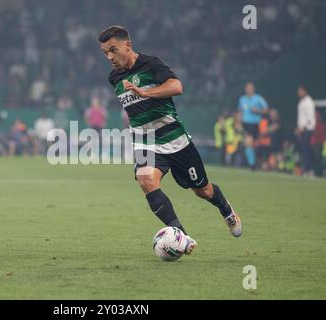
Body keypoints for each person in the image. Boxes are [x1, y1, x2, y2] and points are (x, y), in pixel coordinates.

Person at [98, 25, 242, 257]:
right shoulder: (113, 77)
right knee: (146, 180)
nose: (110, 57)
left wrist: (146, 93)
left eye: (113, 50)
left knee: (202, 190)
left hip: (176, 140)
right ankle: (181, 236)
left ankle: (226, 210)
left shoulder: (152, 64)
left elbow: (176, 86)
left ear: (128, 44)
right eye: (105, 52)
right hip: (145, 141)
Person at [238, 82, 269, 170]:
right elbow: (240, 112)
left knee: (255, 145)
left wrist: (258, 111)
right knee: (248, 143)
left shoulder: (258, 98)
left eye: (251, 88)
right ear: (245, 89)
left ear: (253, 89)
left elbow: (267, 110)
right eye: (248, 88)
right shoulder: (242, 99)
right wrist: (239, 123)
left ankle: (256, 162)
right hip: (246, 124)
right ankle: (252, 165)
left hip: (256, 124)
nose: (249, 89)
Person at [295, 85, 316, 177]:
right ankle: (306, 168)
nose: (299, 93)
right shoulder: (301, 102)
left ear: (305, 91)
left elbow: (310, 117)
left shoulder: (308, 102)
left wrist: (303, 128)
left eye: (300, 91)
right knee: (304, 150)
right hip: (302, 130)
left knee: (307, 150)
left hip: (308, 129)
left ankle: (310, 170)